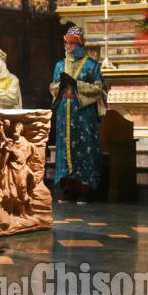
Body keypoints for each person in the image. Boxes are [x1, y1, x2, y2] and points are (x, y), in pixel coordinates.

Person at [50, 27, 106, 205]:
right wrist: (60, 86)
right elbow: (52, 87)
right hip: (64, 112)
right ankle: (68, 189)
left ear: (80, 44)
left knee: (84, 148)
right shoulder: (60, 65)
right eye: (66, 42)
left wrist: (77, 84)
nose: (68, 46)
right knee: (65, 150)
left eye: (72, 43)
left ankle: (85, 189)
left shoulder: (92, 65)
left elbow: (99, 90)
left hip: (83, 113)